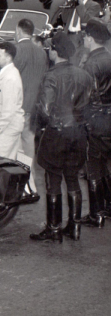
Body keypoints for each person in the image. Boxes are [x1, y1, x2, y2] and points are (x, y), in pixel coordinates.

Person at [30, 32, 93, 243]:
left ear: (56, 51)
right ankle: (74, 228)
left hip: (57, 132)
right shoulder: (84, 74)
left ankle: (53, 228)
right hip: (78, 132)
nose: (49, 51)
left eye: (50, 48)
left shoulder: (51, 76)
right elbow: (89, 105)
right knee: (73, 178)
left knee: (53, 179)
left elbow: (45, 110)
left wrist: (41, 125)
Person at [13, 18, 49, 203]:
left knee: (14, 150)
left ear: (19, 31)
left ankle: (19, 188)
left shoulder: (17, 51)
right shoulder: (41, 52)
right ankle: (31, 187)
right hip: (34, 108)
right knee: (28, 150)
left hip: (18, 108)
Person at [80, 18, 111, 227]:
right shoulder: (109, 57)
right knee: (105, 164)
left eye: (84, 35)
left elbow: (86, 96)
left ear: (90, 38)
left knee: (93, 167)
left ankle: (95, 213)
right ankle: (108, 207)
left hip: (96, 120)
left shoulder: (91, 63)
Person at [0, 42, 25, 159]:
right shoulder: (6, 73)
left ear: (8, 58)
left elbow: (8, 111)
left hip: (8, 128)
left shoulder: (10, 78)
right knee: (12, 162)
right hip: (9, 126)